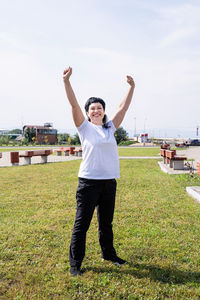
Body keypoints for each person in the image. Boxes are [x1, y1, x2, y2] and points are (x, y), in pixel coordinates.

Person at [63, 67, 135, 276]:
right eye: (92, 108)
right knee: (81, 225)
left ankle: (108, 254)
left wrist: (132, 87)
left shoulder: (109, 128)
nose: (96, 110)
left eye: (100, 108)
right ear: (87, 113)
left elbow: (123, 107)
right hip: (88, 183)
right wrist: (66, 81)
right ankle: (75, 264)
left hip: (108, 183)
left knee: (106, 223)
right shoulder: (84, 128)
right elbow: (73, 103)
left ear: (104, 111)